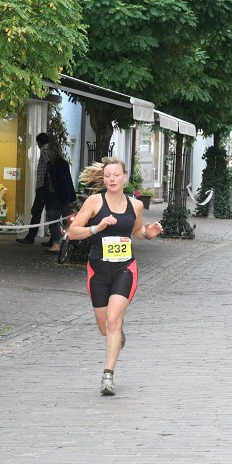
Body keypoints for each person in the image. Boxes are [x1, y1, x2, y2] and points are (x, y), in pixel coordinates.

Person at [69, 158, 163, 396]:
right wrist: (96, 228)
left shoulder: (136, 205)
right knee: (105, 327)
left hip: (125, 269)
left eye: (116, 175)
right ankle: (117, 335)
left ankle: (108, 376)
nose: (111, 179)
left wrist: (148, 234)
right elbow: (72, 232)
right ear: (104, 179)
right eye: (108, 176)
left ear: (124, 178)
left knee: (113, 319)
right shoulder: (94, 202)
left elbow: (136, 232)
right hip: (98, 269)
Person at [16, 132, 52, 245]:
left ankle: (31, 236)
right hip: (46, 187)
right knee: (50, 212)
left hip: (43, 187)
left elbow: (48, 168)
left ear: (39, 142)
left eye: (37, 142)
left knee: (36, 211)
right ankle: (54, 239)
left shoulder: (45, 153)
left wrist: (41, 184)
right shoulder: (50, 151)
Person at [42, 142, 76, 253]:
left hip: (57, 197)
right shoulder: (53, 164)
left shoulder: (58, 164)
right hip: (57, 197)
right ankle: (58, 241)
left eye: (49, 151)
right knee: (58, 220)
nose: (47, 153)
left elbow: (62, 183)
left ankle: (57, 243)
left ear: (53, 151)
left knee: (54, 220)